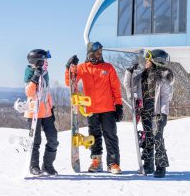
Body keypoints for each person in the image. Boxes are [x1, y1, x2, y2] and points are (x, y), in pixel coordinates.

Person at [65, 41, 123, 174]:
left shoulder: (108, 68)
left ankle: (113, 163)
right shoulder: (82, 68)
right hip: (91, 109)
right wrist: (68, 68)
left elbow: (116, 88)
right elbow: (70, 82)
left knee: (110, 136)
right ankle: (96, 162)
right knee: (94, 136)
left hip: (108, 108)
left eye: (100, 53)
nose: (99, 55)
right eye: (97, 53)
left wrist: (118, 104)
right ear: (90, 53)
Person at [123, 49, 173, 178]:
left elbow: (165, 98)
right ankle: (149, 164)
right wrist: (129, 72)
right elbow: (128, 85)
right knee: (148, 139)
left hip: (157, 113)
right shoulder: (142, 76)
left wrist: (163, 114)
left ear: (155, 61)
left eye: (148, 60)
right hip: (145, 111)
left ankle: (160, 166)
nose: (146, 62)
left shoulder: (163, 77)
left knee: (157, 138)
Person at [24, 49, 59, 176]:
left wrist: (52, 108)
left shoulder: (45, 74)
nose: (46, 63)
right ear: (37, 61)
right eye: (44, 60)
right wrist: (35, 77)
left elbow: (47, 92)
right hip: (34, 113)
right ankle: (34, 166)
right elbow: (29, 92)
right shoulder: (29, 73)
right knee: (36, 140)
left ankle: (48, 165)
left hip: (46, 112)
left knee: (53, 139)